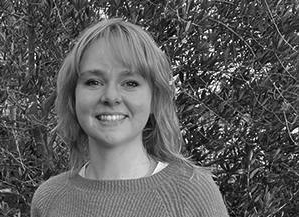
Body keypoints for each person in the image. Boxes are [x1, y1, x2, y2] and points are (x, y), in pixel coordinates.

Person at [31, 18, 229, 217]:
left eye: (130, 83)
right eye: (93, 82)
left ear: (155, 99)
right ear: (73, 97)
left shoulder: (193, 194)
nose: (111, 96)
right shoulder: (49, 199)